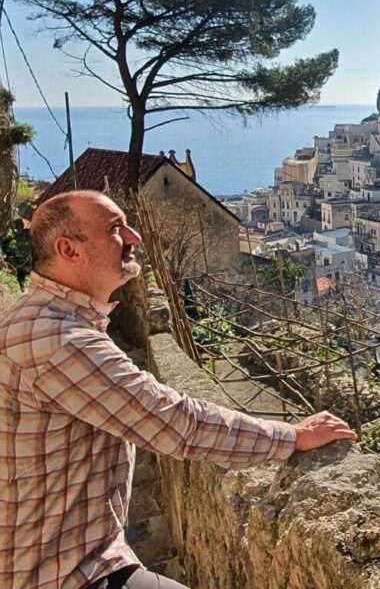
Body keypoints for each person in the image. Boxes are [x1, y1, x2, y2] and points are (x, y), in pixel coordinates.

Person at [0, 190, 357, 589]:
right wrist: (292, 437)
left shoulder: (38, 319)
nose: (134, 236)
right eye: (115, 229)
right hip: (63, 573)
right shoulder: (59, 340)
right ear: (68, 249)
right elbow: (173, 422)